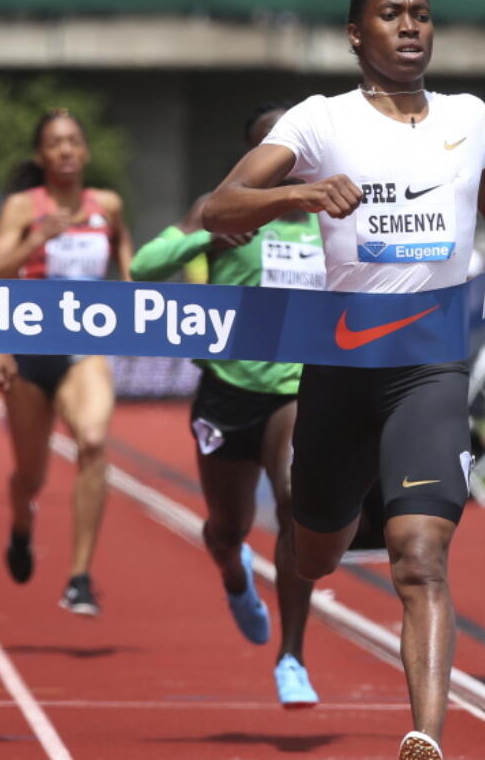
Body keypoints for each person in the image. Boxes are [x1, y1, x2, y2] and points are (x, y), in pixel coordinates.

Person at [201, 0, 485, 759]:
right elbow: (220, 209)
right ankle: (295, 559)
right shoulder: (319, 120)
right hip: (339, 371)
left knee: (420, 557)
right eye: (391, 15)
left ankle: (425, 737)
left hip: (430, 368)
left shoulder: (468, 117)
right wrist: (298, 197)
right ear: (355, 34)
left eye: (421, 15)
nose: (410, 27)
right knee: (316, 553)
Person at [131, 102, 322, 708]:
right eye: (271, 147)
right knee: (227, 527)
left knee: (295, 501)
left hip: (298, 388)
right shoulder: (220, 208)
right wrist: (209, 233)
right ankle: (234, 571)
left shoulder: (328, 212)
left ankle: (292, 655)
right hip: (227, 389)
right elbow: (143, 267)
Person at [0, 108, 133, 618]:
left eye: (73, 141)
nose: (65, 150)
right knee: (31, 475)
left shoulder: (107, 206)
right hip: (29, 349)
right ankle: (21, 524)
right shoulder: (23, 206)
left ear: (86, 151)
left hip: (84, 347)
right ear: (40, 155)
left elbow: (130, 268)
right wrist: (36, 238)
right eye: (54, 143)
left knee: (92, 442)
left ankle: (79, 577)